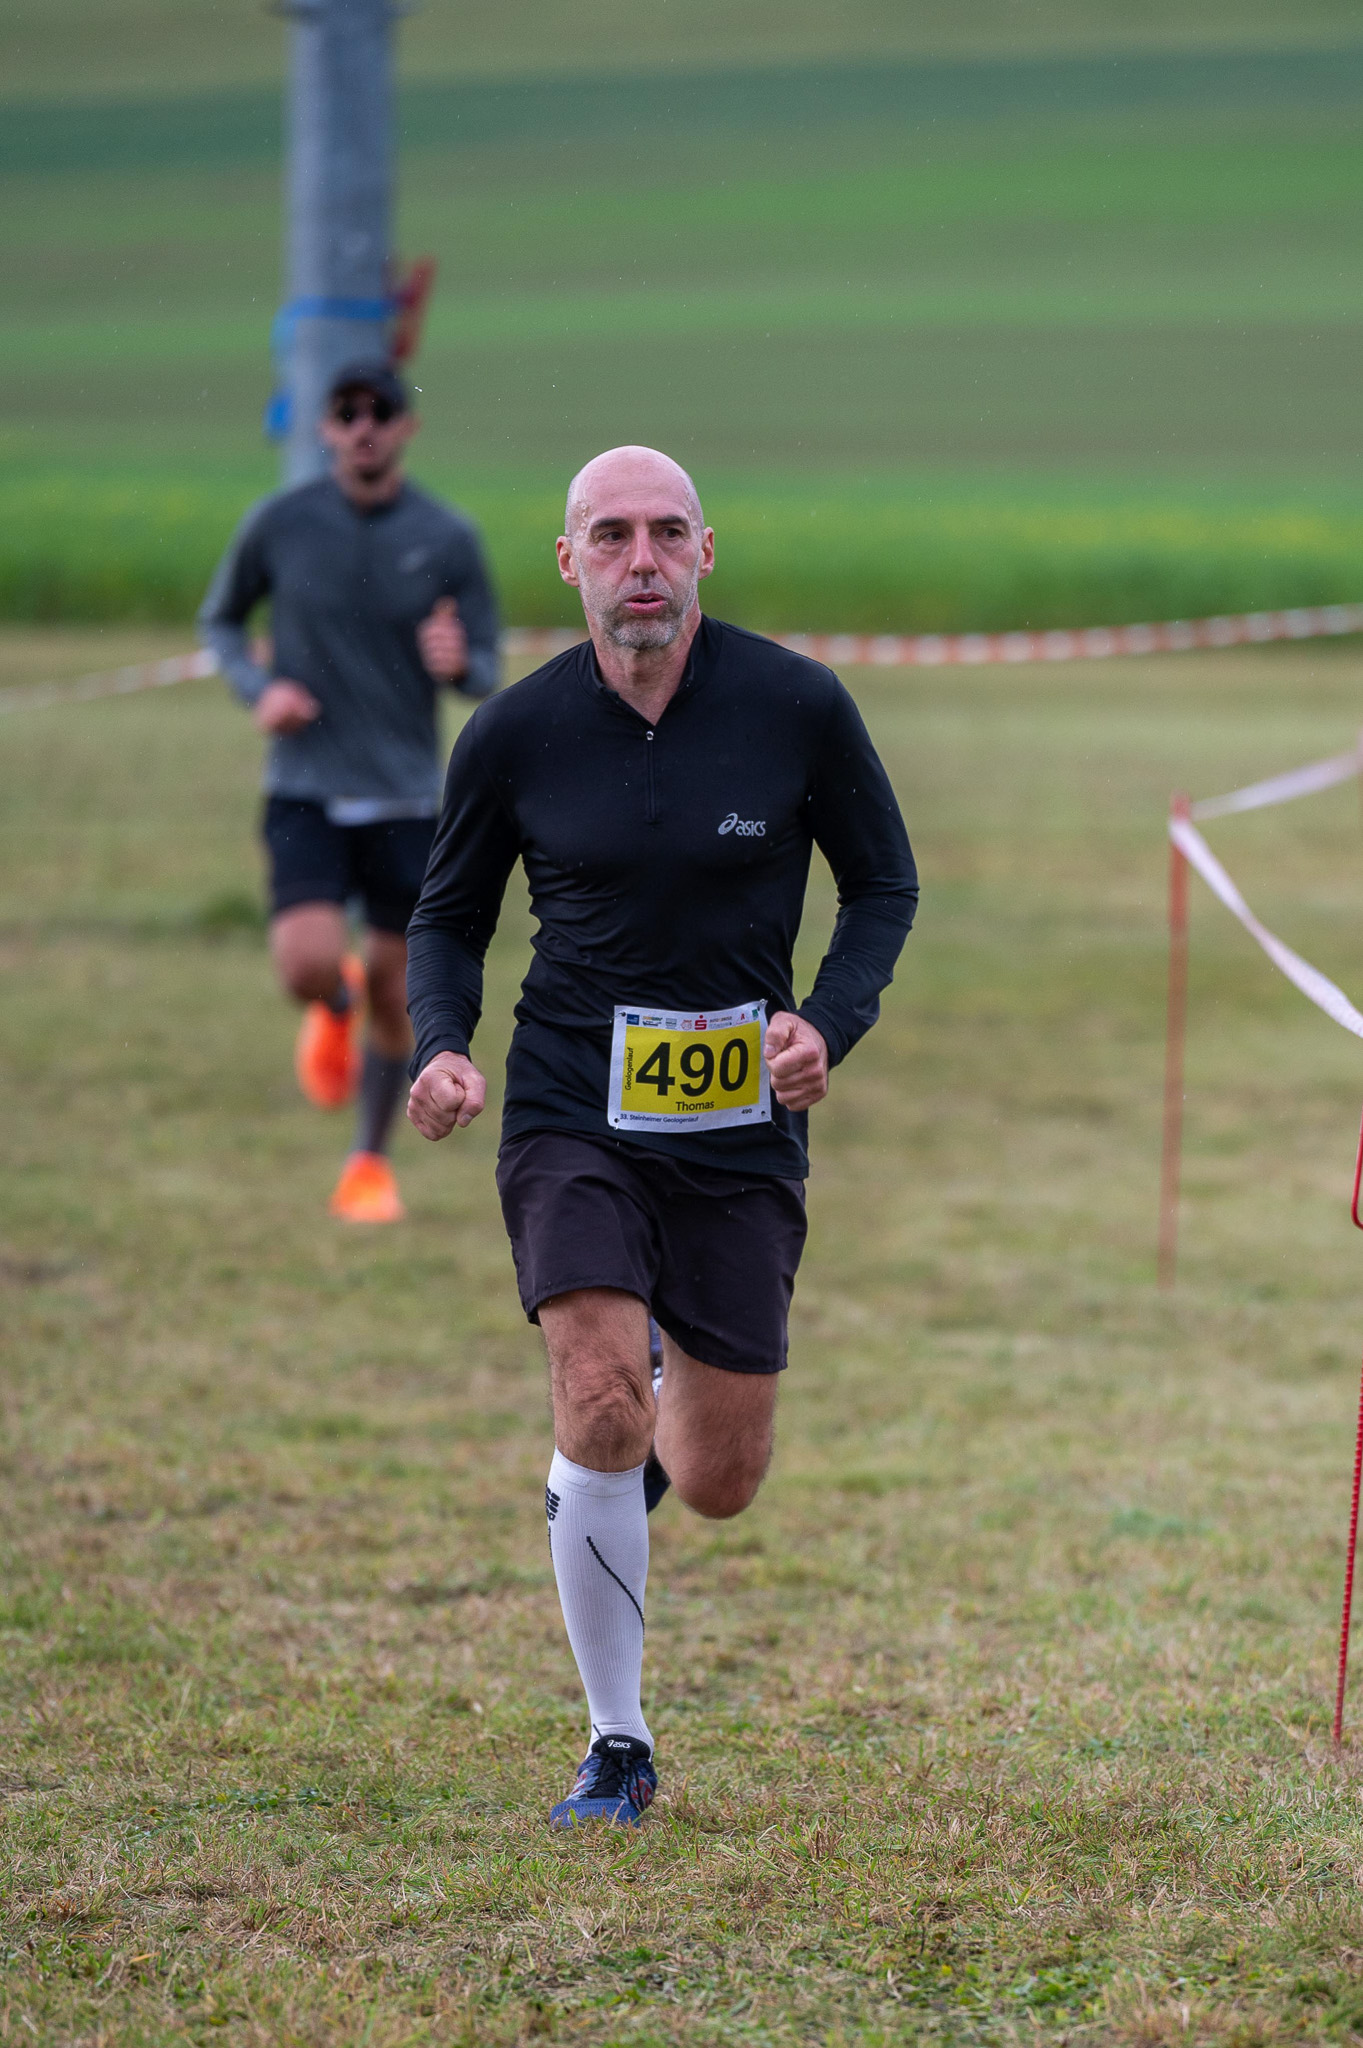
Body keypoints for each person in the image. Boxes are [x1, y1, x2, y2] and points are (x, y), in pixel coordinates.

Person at [404, 445, 917, 1825]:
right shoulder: (513, 731)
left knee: (718, 1477)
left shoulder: (796, 706)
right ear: (569, 560)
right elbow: (448, 916)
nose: (643, 560)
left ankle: (641, 1400)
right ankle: (617, 1744)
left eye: (667, 534)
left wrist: (825, 1023)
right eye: (613, 536)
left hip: (737, 1124)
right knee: (595, 1402)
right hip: (569, 1102)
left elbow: (882, 885)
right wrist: (442, 1042)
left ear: (704, 552)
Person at [198, 360, 499, 1221]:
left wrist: (459, 664)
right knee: (304, 962)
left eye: (381, 411)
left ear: (406, 427)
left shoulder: (447, 534)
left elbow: (485, 664)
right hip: (306, 785)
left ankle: (367, 1164)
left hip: (407, 796)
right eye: (347, 412)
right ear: (325, 428)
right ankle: (331, 1004)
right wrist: (261, 691)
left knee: (399, 993)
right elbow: (221, 621)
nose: (364, 426)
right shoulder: (280, 523)